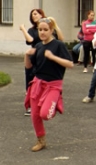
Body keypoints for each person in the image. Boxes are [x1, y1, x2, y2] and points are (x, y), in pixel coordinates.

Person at [24, 17, 73, 152]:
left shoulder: (58, 45)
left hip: (53, 85)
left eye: (45, 30)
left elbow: (70, 64)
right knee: (35, 114)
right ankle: (41, 140)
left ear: (52, 30)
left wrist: (53, 57)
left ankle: (55, 102)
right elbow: (28, 67)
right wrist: (27, 55)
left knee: (45, 114)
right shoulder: (39, 46)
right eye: (40, 29)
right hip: (37, 83)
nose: (42, 32)